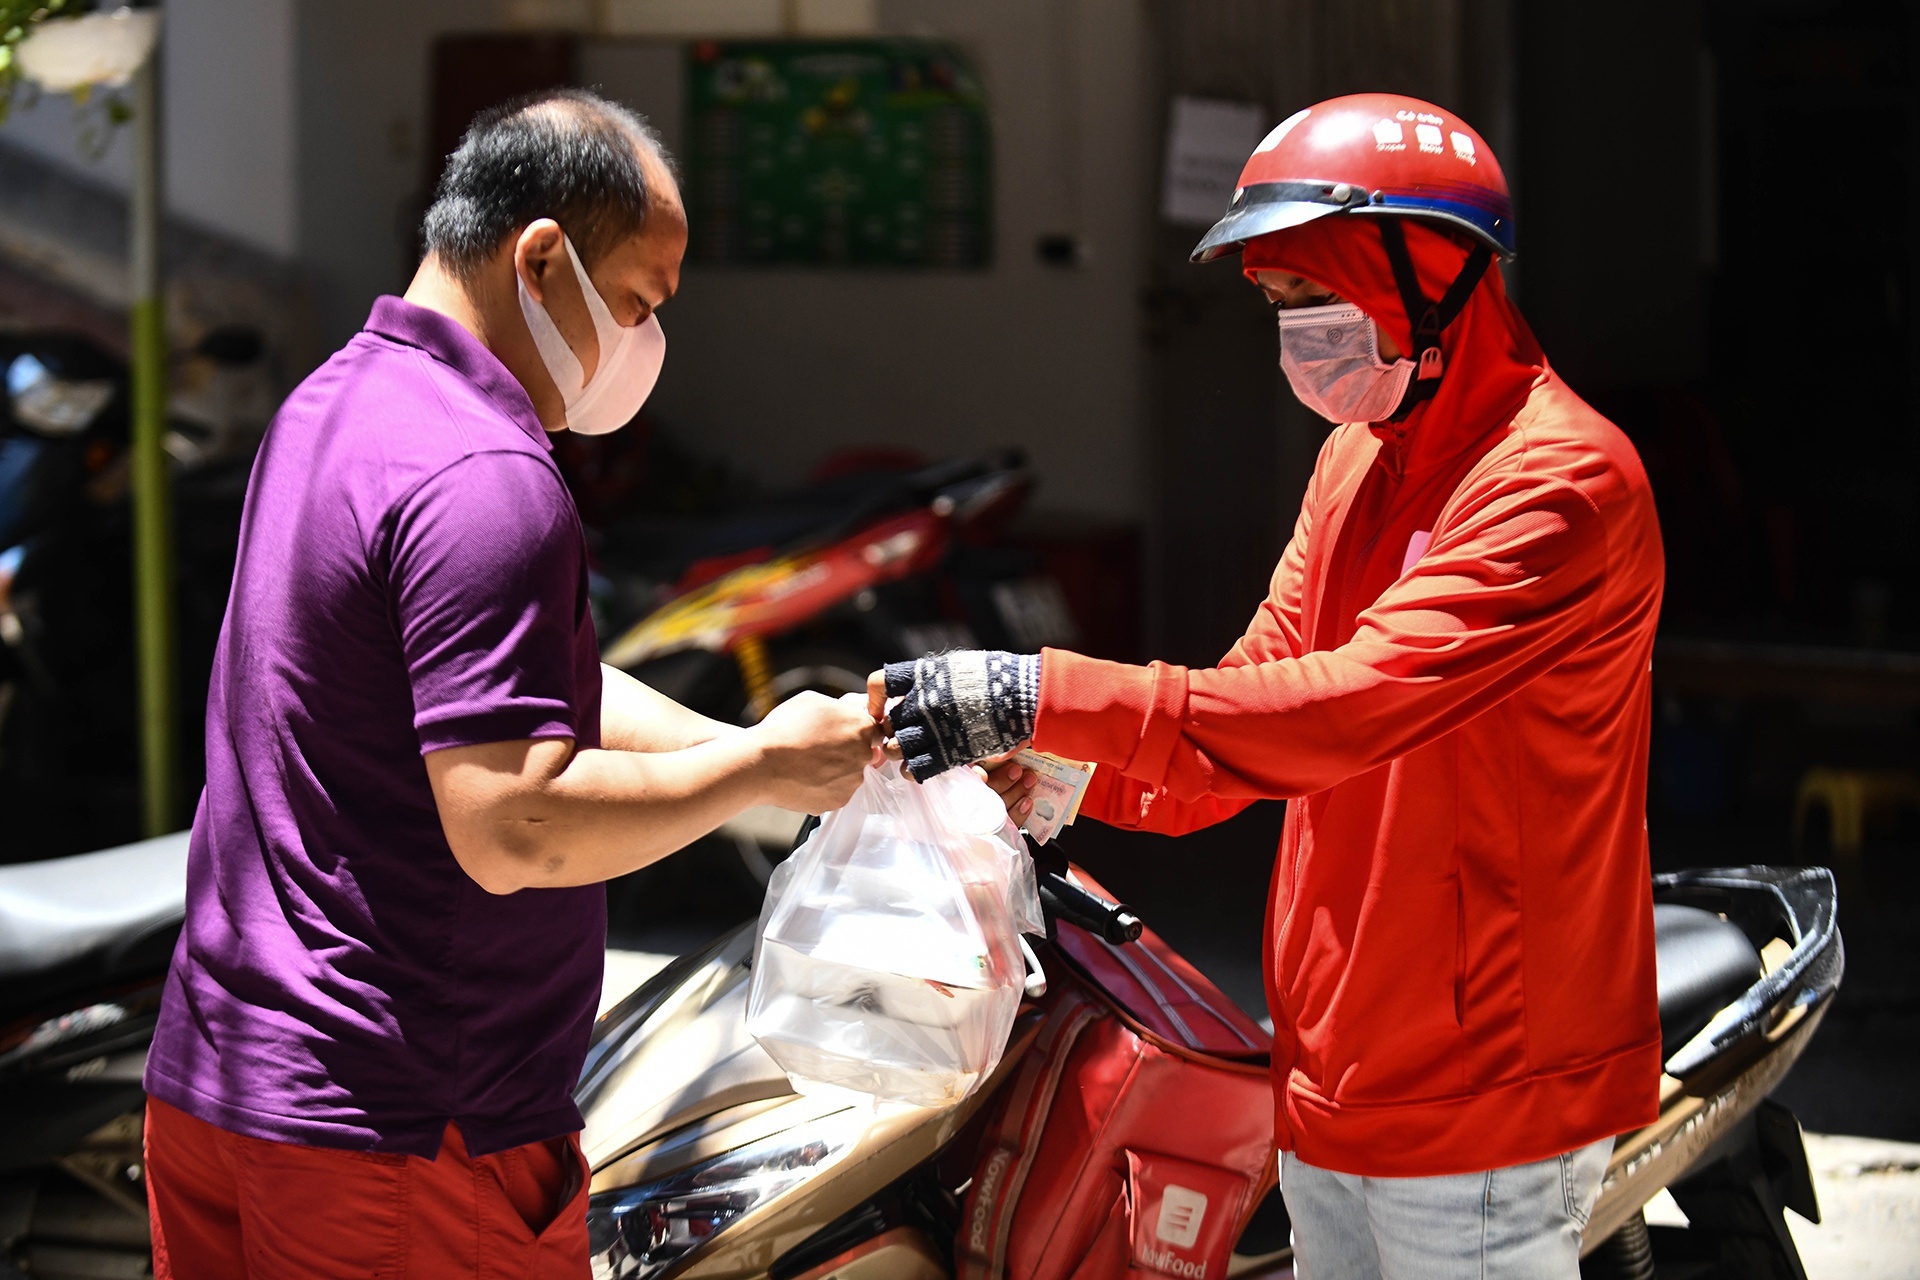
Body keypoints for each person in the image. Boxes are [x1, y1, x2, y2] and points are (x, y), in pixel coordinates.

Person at [874, 93, 1664, 1279]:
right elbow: (1252, 700)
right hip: (1333, 1059)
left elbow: (1340, 708)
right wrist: (1063, 770)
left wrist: (1038, 687)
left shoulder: (1559, 483)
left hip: (1483, 1080)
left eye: (1314, 296)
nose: (1294, 336)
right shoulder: (1361, 454)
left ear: (1428, 275)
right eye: (1279, 305)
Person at [141, 89, 881, 1280]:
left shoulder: (335, 404)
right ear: (541, 259)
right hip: (398, 1139)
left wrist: (776, 758)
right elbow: (513, 824)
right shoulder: (488, 474)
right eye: (640, 301)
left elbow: (532, 691)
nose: (645, 341)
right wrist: (754, 766)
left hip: (225, 1085)